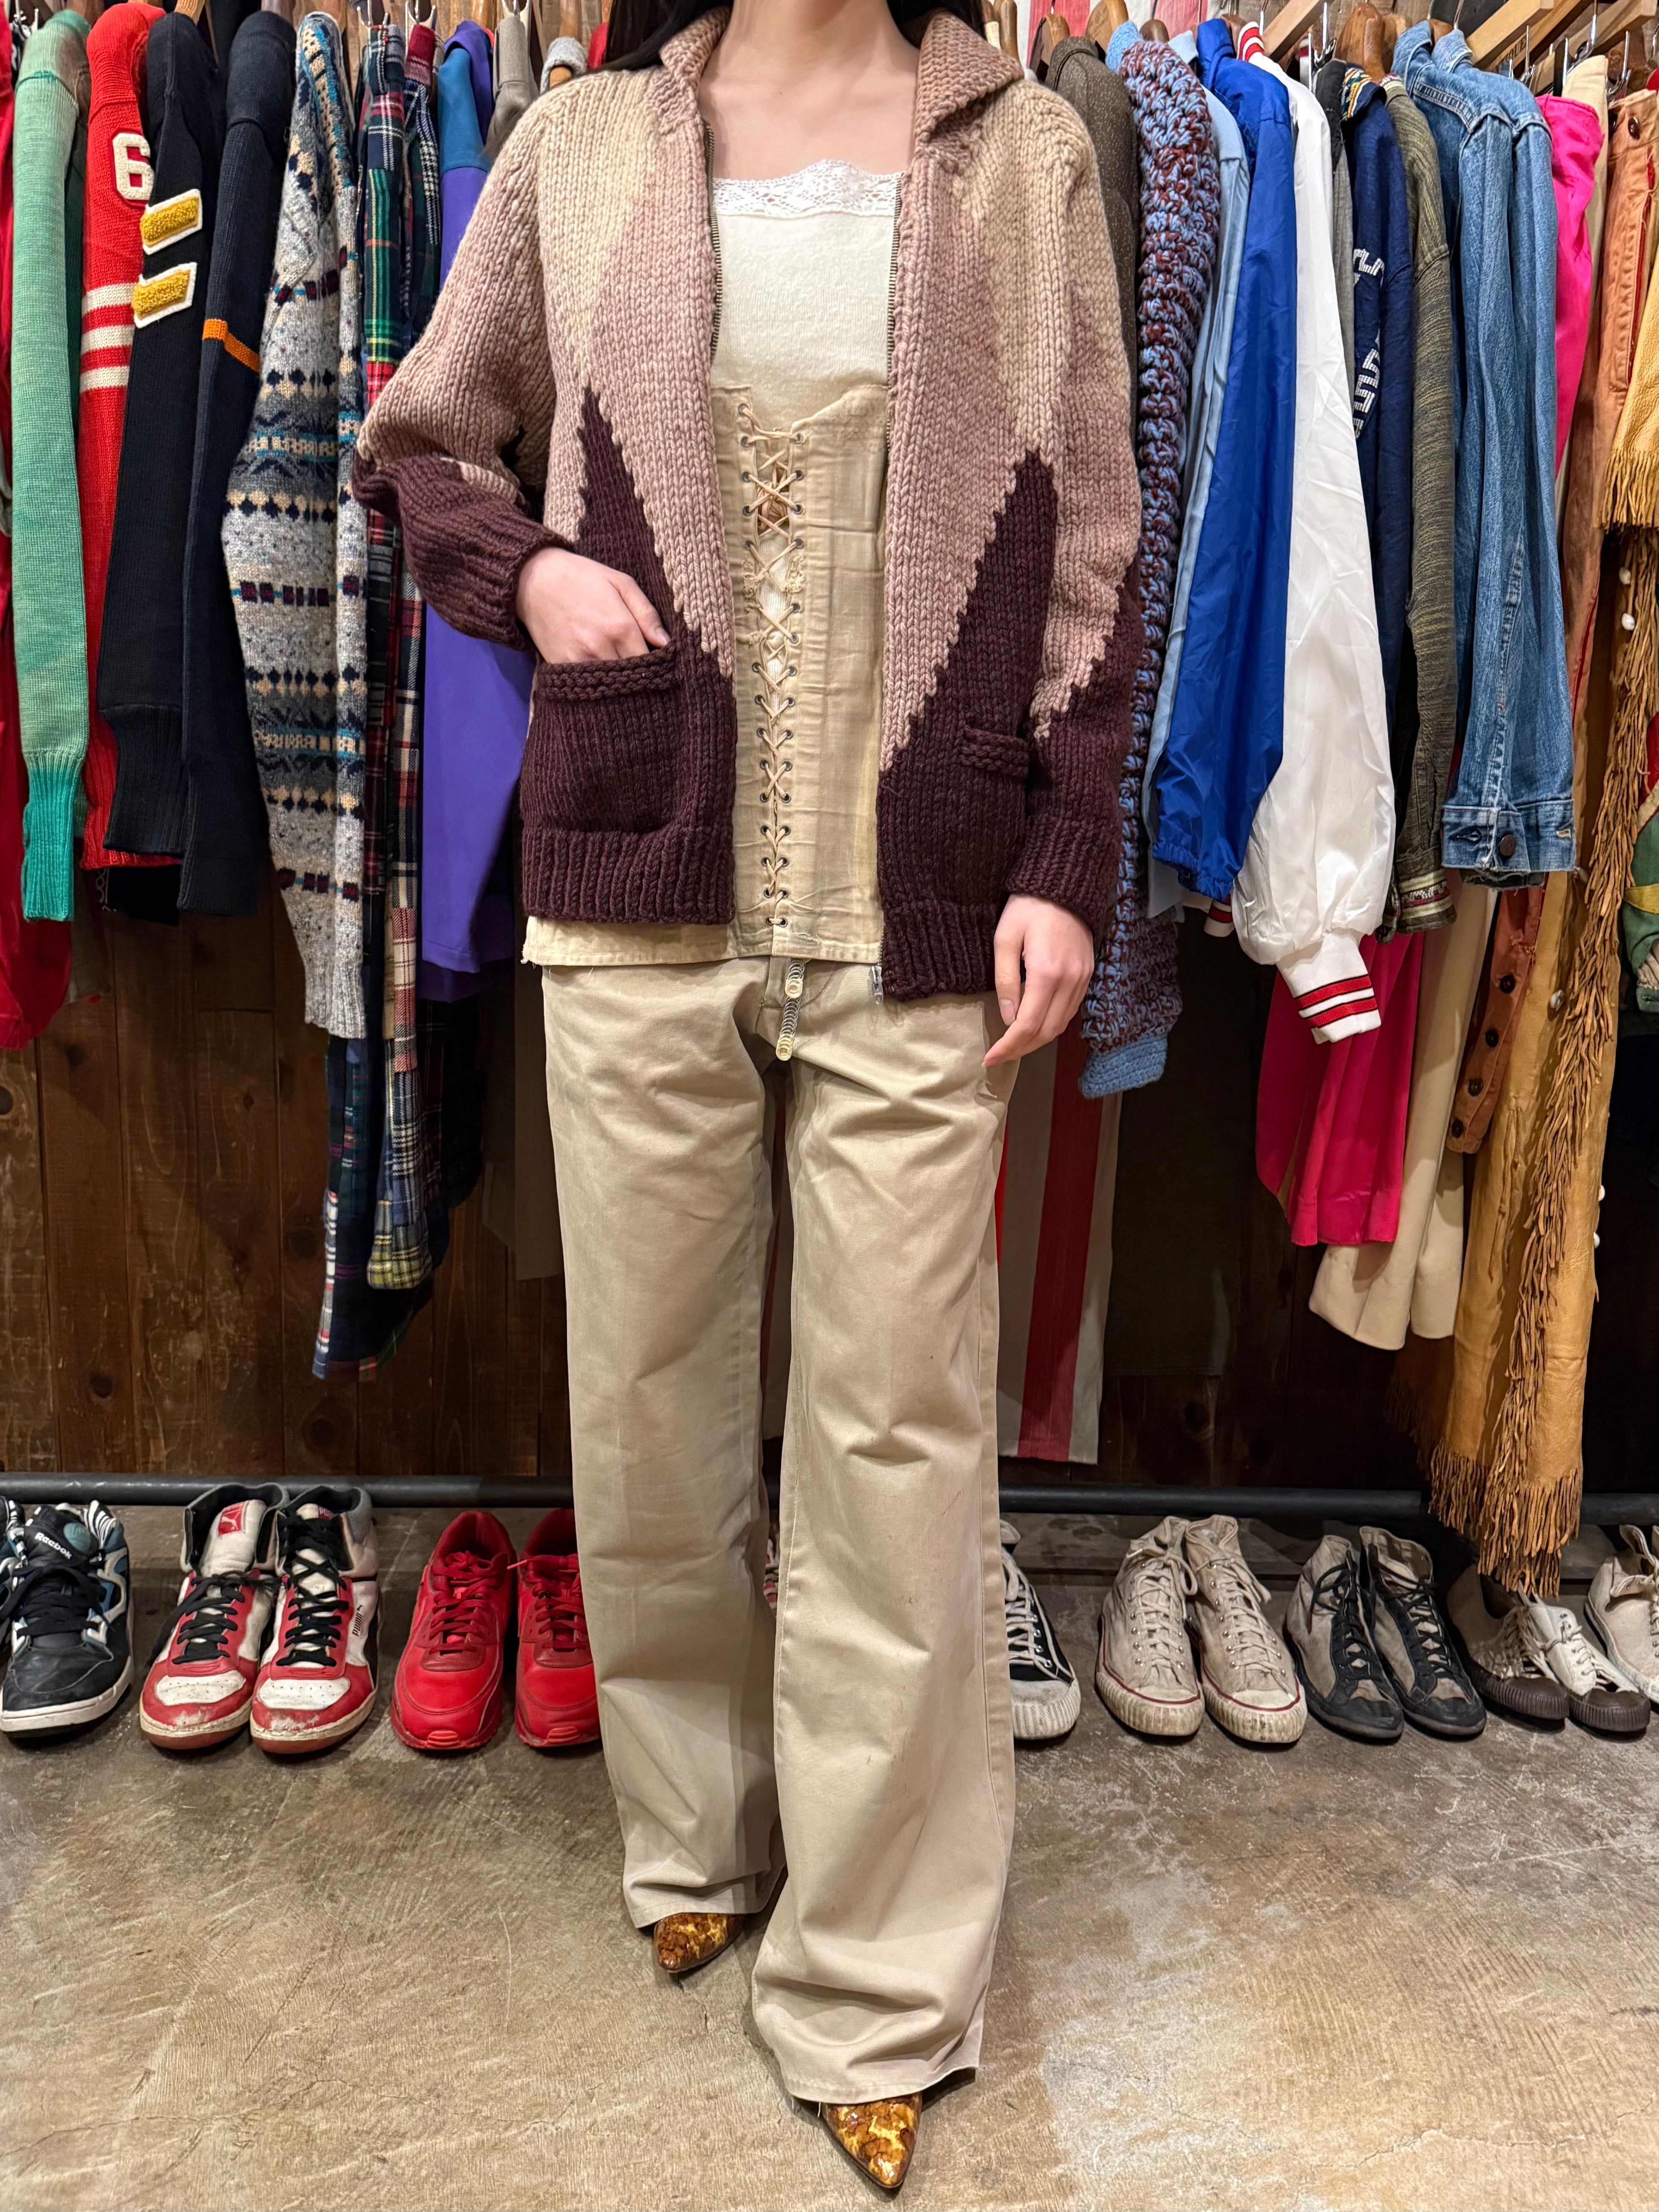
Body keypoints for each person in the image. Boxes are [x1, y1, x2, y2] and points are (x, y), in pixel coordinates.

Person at [354, 0, 1139, 2187]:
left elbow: (1094, 534)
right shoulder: (588, 142)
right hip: (641, 875)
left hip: (925, 899)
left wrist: (1065, 860)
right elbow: (422, 442)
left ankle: (880, 1975)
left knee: (895, 1436)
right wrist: (530, 571)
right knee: (651, 1402)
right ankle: (695, 1827)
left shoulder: (1020, 154)